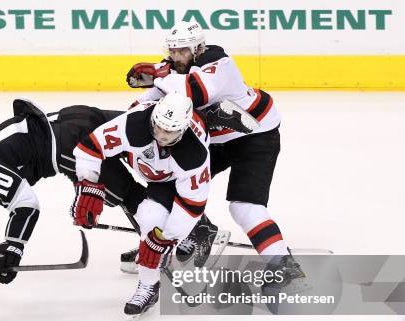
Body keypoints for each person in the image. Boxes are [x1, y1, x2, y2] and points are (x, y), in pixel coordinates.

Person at [125, 21, 304, 282]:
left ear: (198, 48)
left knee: (244, 208)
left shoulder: (219, 63)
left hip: (256, 136)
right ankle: (193, 234)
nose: (176, 56)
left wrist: (158, 73)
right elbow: (142, 105)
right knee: (169, 185)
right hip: (215, 140)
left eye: (182, 51)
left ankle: (283, 264)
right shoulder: (170, 70)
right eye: (172, 51)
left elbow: (194, 91)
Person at [0, 99, 147, 287]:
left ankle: (162, 242)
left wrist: (11, 249)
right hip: (70, 123)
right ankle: (162, 233)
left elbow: (26, 205)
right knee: (143, 131)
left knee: (125, 192)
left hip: (72, 140)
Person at [70, 93, 211, 318]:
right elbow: (90, 148)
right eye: (158, 128)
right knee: (154, 226)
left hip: (172, 179)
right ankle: (182, 233)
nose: (161, 135)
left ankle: (149, 287)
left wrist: (165, 238)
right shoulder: (135, 124)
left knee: (151, 222)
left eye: (169, 132)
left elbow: (192, 204)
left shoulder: (193, 154)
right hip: (148, 165)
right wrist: (88, 186)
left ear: (182, 130)